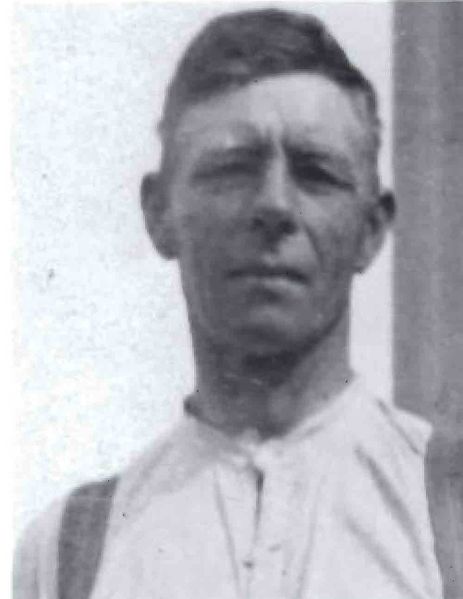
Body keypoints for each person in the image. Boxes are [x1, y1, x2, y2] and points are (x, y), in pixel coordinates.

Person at [14, 8, 463, 599]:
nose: (274, 206)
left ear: (372, 228)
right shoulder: (70, 551)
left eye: (317, 173)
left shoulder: (446, 509)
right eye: (231, 169)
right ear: (159, 213)